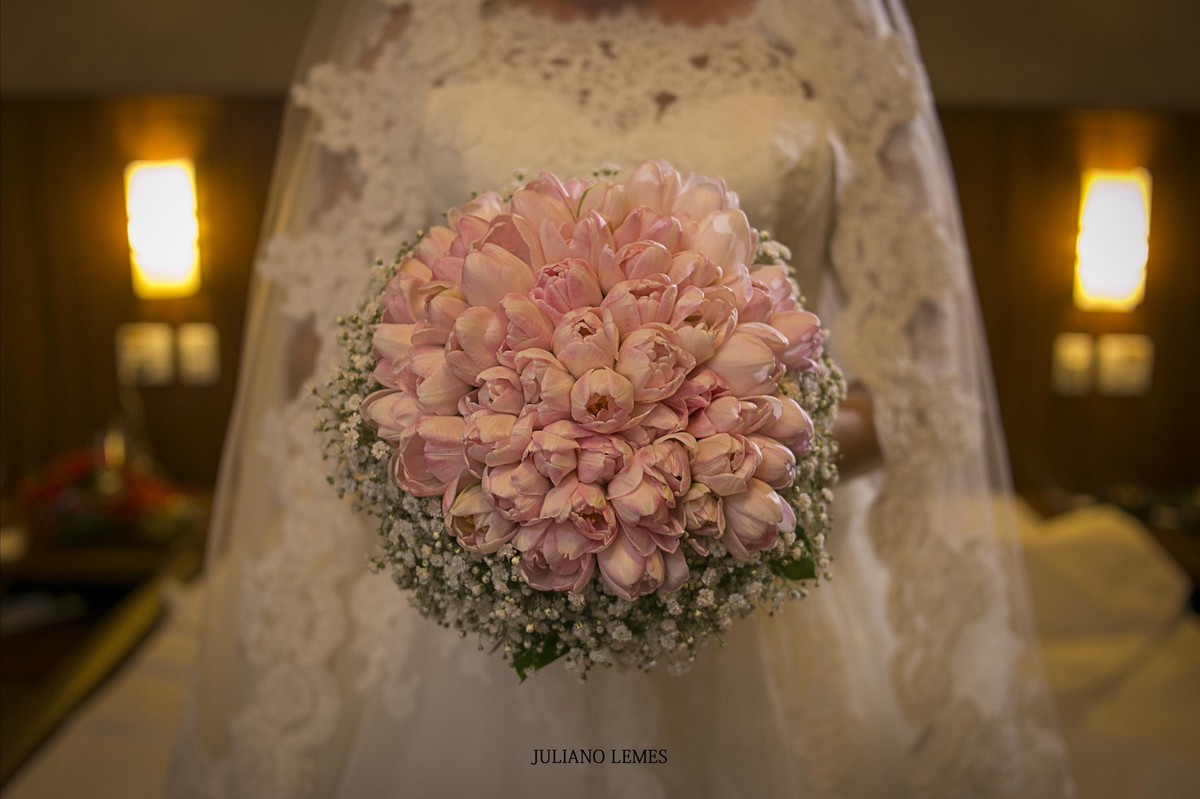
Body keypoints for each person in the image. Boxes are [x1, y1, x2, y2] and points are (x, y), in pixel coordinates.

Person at [167, 0, 1075, 796]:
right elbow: (309, 347)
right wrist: (494, 459)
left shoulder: (828, 35)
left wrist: (723, 460)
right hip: (479, 603)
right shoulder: (417, 34)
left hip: (762, 606)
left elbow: (922, 383)